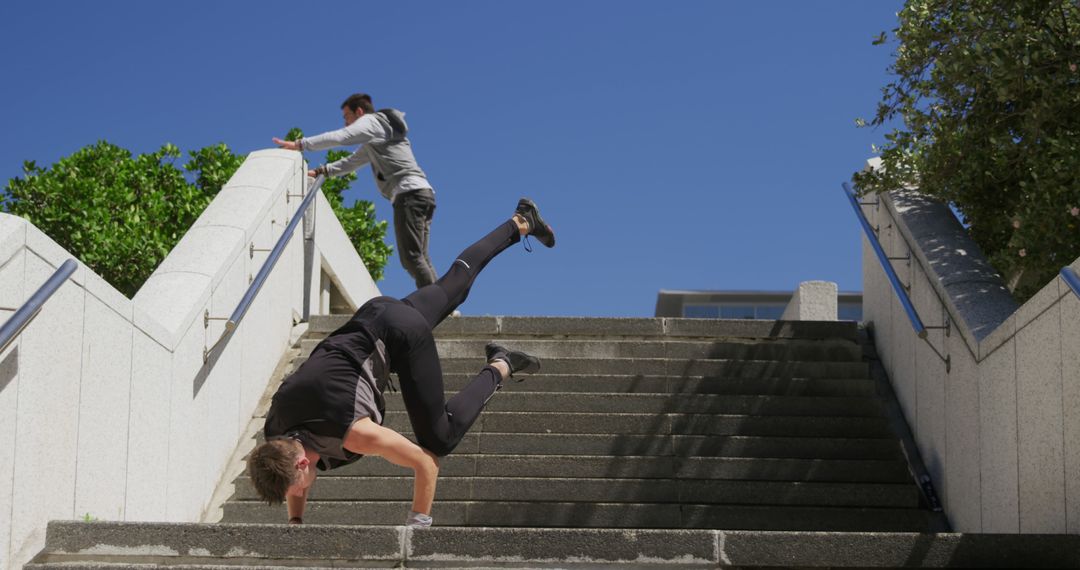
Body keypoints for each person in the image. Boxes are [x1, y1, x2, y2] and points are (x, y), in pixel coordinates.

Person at [246, 198, 556, 527]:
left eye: (293, 489)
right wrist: (296, 523)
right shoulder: (276, 431)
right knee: (455, 285)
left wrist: (416, 527)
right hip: (375, 313)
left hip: (402, 336)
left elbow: (426, 464)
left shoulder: (355, 432)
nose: (295, 493)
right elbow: (292, 464)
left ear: (303, 467)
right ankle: (521, 221)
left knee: (440, 439)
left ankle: (501, 364)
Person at [273, 93, 439, 288]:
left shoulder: (371, 122)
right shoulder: (378, 136)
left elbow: (342, 137)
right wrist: (322, 171)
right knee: (420, 256)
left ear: (359, 112)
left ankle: (433, 306)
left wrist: (300, 144)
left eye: (347, 117)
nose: (345, 123)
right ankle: (446, 306)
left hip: (409, 194)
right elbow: (353, 161)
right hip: (422, 192)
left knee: (411, 258)